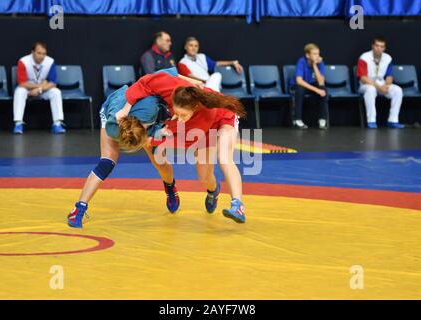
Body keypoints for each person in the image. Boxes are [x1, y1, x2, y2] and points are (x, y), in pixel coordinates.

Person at [67, 68, 247, 228]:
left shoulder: (167, 112)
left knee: (222, 158)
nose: (178, 117)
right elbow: (150, 80)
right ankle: (212, 190)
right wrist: (128, 107)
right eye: (175, 112)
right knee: (204, 177)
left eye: (181, 114)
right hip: (126, 112)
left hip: (219, 118)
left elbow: (184, 141)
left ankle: (236, 204)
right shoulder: (119, 124)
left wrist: (154, 140)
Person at [13, 41, 65, 134]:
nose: (41, 56)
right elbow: (22, 83)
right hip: (27, 90)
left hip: (42, 90)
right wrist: (39, 86)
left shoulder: (50, 61)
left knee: (56, 92)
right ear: (32, 52)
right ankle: (18, 124)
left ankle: (57, 124)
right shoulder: (23, 61)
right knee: (19, 91)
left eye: (44, 53)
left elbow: (53, 83)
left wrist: (40, 89)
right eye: (39, 53)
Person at [357, 37, 404, 129]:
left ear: (384, 48)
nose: (379, 48)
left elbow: (389, 76)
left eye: (381, 46)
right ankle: (371, 121)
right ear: (372, 46)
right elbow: (363, 78)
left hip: (382, 83)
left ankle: (393, 120)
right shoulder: (364, 57)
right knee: (371, 90)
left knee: (398, 90)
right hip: (366, 84)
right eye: (377, 46)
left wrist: (386, 86)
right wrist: (379, 87)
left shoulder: (388, 58)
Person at [177, 36, 244, 92]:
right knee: (214, 82)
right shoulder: (182, 62)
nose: (194, 48)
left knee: (217, 75)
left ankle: (213, 93)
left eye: (196, 46)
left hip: (209, 84)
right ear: (185, 47)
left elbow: (217, 63)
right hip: (197, 87)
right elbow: (190, 77)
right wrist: (206, 81)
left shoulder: (202, 56)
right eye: (191, 45)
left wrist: (233, 62)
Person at [290, 43, 328, 130]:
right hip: (299, 86)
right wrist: (316, 90)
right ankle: (298, 120)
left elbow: (321, 82)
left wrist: (315, 65)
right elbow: (299, 81)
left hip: (311, 85)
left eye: (318, 54)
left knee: (323, 89)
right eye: (314, 54)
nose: (317, 56)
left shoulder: (320, 63)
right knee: (300, 89)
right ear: (307, 55)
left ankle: (322, 120)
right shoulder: (301, 61)